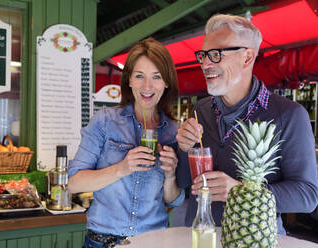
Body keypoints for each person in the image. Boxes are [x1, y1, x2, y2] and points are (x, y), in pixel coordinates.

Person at [176, 14, 318, 234]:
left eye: (216, 54)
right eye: (203, 55)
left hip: (255, 239)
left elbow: (307, 195)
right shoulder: (200, 109)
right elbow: (185, 181)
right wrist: (183, 148)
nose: (205, 63)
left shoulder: (290, 115)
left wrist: (241, 192)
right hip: (199, 235)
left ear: (247, 57)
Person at [68, 37, 184, 248]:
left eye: (156, 77)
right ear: (129, 80)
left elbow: (173, 200)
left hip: (154, 242)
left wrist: (170, 176)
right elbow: (75, 183)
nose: (147, 86)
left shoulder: (174, 133)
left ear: (166, 82)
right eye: (139, 76)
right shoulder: (105, 120)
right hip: (102, 242)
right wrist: (122, 168)